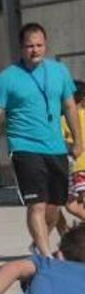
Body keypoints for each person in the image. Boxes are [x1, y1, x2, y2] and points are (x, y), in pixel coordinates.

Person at [0, 22, 83, 256]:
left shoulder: (59, 71)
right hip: (24, 147)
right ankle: (46, 256)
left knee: (54, 207)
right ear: (21, 47)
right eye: (29, 46)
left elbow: (69, 106)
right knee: (36, 204)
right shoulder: (7, 78)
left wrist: (78, 141)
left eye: (39, 45)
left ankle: (39, 245)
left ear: (45, 45)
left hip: (56, 147)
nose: (34, 50)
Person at [60, 79, 85, 228]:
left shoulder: (63, 120)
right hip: (77, 168)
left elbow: (61, 143)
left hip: (78, 168)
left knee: (71, 204)